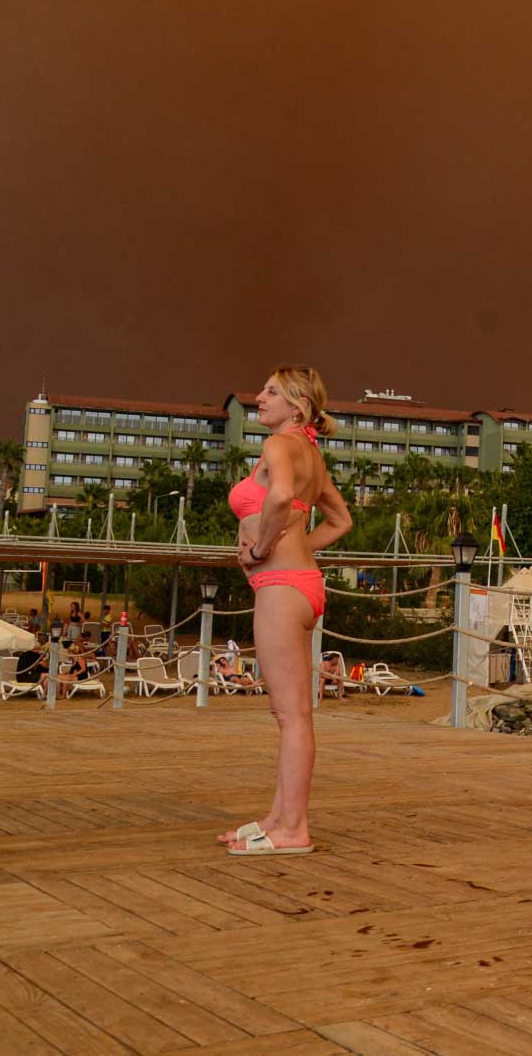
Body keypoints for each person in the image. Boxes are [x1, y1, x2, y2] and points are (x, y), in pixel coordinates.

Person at [217, 366, 352, 858]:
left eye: (271, 391)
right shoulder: (309, 454)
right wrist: (298, 548)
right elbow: (341, 520)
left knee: (293, 716)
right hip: (301, 584)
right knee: (288, 712)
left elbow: (276, 498)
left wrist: (263, 549)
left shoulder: (279, 447)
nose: (259, 397)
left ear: (297, 407)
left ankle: (293, 829)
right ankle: (277, 818)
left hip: (280, 586)